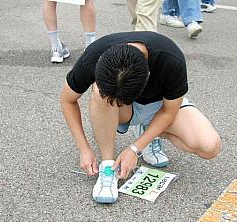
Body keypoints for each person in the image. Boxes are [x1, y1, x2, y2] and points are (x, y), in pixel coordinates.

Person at [60, 31, 221, 203]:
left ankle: (146, 131)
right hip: (126, 111)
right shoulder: (94, 55)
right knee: (100, 94)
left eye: (120, 99)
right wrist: (84, 148)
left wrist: (135, 149)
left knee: (209, 146)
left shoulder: (170, 58)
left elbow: (169, 111)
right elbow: (67, 100)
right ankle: (108, 166)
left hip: (161, 106)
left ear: (148, 76)